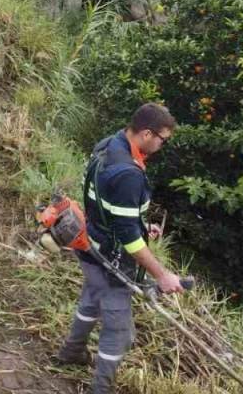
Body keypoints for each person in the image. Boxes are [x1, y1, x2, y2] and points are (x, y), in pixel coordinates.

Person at [56, 103, 184, 394]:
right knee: (119, 332)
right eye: (163, 139)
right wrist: (162, 275)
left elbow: (106, 203)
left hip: (90, 243)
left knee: (91, 298)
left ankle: (71, 353)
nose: (163, 145)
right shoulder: (129, 173)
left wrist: (140, 226)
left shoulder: (109, 145)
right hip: (112, 260)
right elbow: (128, 239)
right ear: (147, 133)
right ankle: (101, 388)